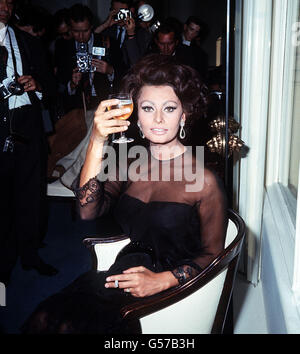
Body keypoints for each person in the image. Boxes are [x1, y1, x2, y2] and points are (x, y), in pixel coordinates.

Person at [22, 54, 227, 334]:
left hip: (170, 285)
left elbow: (213, 253)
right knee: (45, 319)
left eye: (169, 108)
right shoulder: (129, 163)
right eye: (147, 107)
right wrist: (96, 140)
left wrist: (165, 279)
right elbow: (86, 210)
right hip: (124, 270)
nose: (157, 118)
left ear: (184, 114)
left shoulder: (203, 180)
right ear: (136, 116)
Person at [0, 0, 58, 286]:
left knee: (31, 195)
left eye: (9, 0)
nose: (4, 5)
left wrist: (39, 85)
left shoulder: (26, 40)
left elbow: (50, 84)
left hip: (27, 124)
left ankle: (30, 255)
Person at [54, 3, 118, 117]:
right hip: (75, 111)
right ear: (69, 28)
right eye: (76, 31)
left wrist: (110, 71)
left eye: (85, 31)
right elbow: (58, 82)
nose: (81, 36)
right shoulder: (62, 46)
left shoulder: (107, 42)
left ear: (92, 26)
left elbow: (124, 72)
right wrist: (72, 84)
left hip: (104, 104)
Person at [181, 16, 208, 82]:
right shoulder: (173, 42)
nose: (193, 34)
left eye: (196, 32)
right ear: (185, 27)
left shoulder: (199, 52)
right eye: (191, 29)